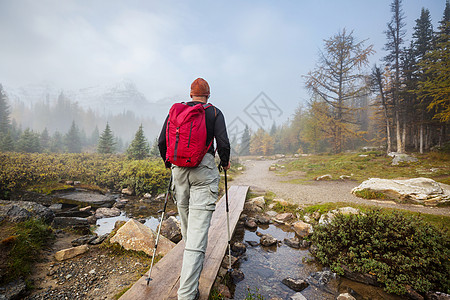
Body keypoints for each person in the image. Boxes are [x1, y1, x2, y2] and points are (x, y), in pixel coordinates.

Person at [158, 78, 230, 300]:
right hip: (204, 172)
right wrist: (225, 162)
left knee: (189, 228)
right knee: (197, 235)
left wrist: (169, 164)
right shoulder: (214, 113)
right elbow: (223, 144)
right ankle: (187, 294)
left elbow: (162, 142)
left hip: (178, 172)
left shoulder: (176, 112)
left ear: (191, 94)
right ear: (208, 94)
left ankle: (191, 266)